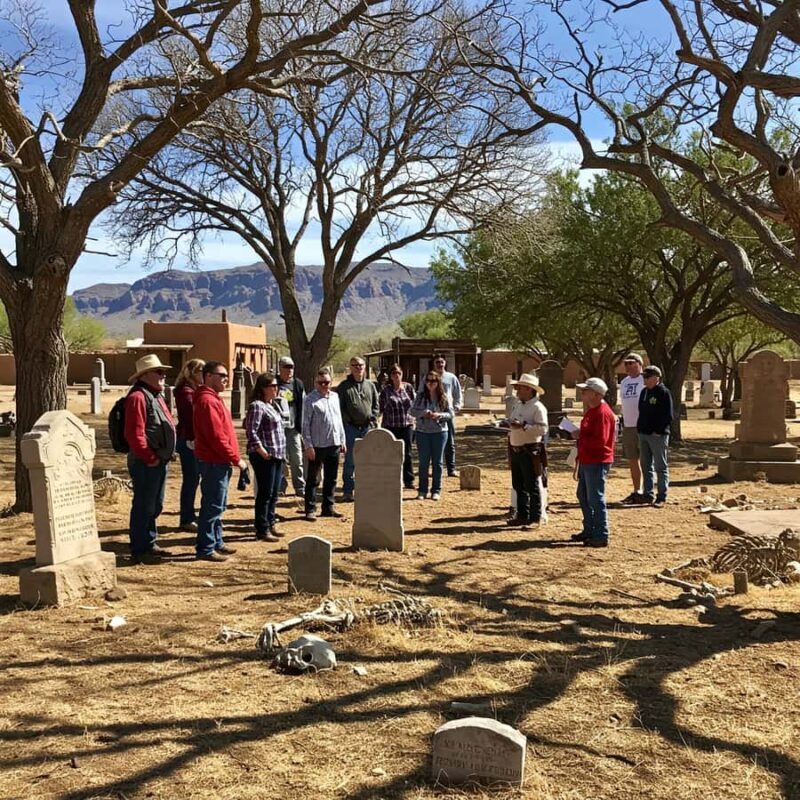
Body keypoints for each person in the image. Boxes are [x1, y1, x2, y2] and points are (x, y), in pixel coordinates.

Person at [124, 354, 176, 563]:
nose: (163, 375)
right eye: (158, 372)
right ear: (145, 375)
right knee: (144, 506)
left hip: (158, 460)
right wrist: (149, 457)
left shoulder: (155, 395)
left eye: (163, 372)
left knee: (154, 505)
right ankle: (139, 549)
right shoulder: (138, 397)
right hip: (145, 462)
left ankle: (150, 543)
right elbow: (134, 434)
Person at [193, 360, 246, 562]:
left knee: (219, 504)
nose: (226, 379)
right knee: (212, 505)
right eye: (221, 375)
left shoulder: (214, 398)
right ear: (208, 376)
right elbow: (217, 437)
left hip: (219, 461)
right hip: (213, 461)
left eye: (226, 375)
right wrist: (236, 459)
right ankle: (206, 548)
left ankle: (217, 541)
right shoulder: (207, 401)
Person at [570, 377, 616, 548]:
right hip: (587, 459)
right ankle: (589, 529)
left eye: (586, 390)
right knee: (583, 495)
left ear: (596, 394)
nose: (582, 393)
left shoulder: (602, 413)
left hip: (597, 460)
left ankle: (601, 534)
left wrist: (580, 437)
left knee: (595, 498)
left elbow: (601, 442)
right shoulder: (592, 411)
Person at [246, 373, 288, 542]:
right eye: (272, 386)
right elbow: (251, 431)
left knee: (274, 493)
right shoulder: (257, 406)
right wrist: (261, 449)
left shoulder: (273, 405)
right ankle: (262, 529)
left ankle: (271, 522)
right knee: (265, 493)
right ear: (263, 388)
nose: (276, 389)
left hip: (277, 454)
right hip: (264, 456)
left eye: (277, 386)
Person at [504, 373, 548, 527]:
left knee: (531, 486)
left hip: (529, 451)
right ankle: (522, 515)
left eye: (520, 388)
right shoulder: (518, 405)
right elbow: (513, 421)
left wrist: (524, 426)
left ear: (529, 390)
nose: (517, 391)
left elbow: (543, 429)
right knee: (518, 485)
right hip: (516, 449)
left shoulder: (538, 407)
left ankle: (535, 518)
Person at [303, 368, 347, 520]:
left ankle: (328, 507)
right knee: (313, 479)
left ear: (331, 382)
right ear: (316, 383)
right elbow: (305, 424)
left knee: (331, 478)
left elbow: (338, 420)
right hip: (317, 445)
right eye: (320, 382)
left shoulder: (335, 397)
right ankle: (310, 509)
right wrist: (308, 445)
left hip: (334, 443)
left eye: (327, 382)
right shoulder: (310, 399)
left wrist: (342, 440)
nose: (324, 385)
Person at [337, 356, 379, 501]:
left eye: (360, 365)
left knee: (367, 459)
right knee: (350, 460)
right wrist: (347, 420)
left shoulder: (370, 385)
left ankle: (365, 489)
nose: (358, 367)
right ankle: (348, 490)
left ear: (364, 367)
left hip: (367, 428)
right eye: (355, 365)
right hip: (351, 428)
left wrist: (373, 417)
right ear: (350, 368)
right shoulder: (344, 386)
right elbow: (340, 407)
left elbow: (376, 405)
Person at [174, 358, 205, 532]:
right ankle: (186, 518)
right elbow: (190, 417)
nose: (204, 374)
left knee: (195, 478)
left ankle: (190, 515)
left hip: (194, 439)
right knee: (191, 479)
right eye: (201, 371)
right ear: (192, 373)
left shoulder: (195, 390)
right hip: (188, 440)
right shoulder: (185, 392)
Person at [410, 370, 452, 501]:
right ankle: (422, 490)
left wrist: (439, 415)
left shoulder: (443, 397)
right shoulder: (420, 397)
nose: (430, 383)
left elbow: (450, 414)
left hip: (440, 433)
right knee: (423, 463)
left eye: (433, 381)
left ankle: (436, 490)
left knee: (437, 463)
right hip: (422, 433)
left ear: (438, 382)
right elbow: (412, 411)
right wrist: (423, 413)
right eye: (427, 380)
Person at [637, 365, 674, 508]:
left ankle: (661, 495)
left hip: (657, 435)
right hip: (643, 434)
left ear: (656, 378)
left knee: (660, 466)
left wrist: (658, 430)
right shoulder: (644, 392)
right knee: (645, 465)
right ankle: (648, 493)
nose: (645, 380)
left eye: (647, 377)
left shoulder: (663, 392)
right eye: (644, 377)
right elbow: (641, 411)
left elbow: (668, 415)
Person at [420, 355, 462, 477]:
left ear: (445, 363)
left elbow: (457, 394)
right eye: (437, 362)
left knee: (450, 442)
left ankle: (451, 469)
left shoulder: (451, 378)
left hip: (447, 412)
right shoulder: (427, 378)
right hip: (431, 413)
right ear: (434, 364)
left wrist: (457, 406)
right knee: (432, 442)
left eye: (441, 362)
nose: (440, 364)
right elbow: (421, 393)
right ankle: (434, 468)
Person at [379, 364, 416, 489]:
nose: (396, 375)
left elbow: (415, 405)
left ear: (402, 374)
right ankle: (392, 478)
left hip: (407, 425)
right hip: (391, 425)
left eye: (399, 373)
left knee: (407, 453)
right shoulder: (386, 391)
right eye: (394, 373)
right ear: (390, 376)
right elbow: (381, 408)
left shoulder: (408, 388)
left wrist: (415, 422)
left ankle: (409, 480)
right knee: (392, 454)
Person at [276, 356, 306, 497]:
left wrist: (302, 426)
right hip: (277, 429)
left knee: (296, 458)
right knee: (280, 459)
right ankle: (280, 487)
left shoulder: (298, 384)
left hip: (293, 428)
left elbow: (303, 405)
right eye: (286, 367)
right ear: (280, 368)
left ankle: (299, 487)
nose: (289, 370)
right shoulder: (274, 383)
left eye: (291, 367)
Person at [619, 353, 646, 505]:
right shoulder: (624, 382)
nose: (628, 366)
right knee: (632, 460)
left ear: (639, 364)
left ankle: (648, 490)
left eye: (631, 363)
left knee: (646, 460)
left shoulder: (645, 379)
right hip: (628, 426)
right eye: (626, 363)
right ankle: (637, 490)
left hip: (643, 425)